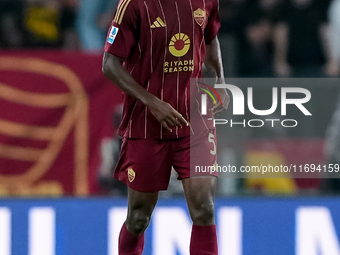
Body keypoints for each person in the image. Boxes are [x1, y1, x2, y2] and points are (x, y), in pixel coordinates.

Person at [102, 0, 229, 254]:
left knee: (204, 207)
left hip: (194, 117)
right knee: (139, 217)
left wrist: (221, 79)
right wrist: (153, 103)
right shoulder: (133, 5)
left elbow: (210, 38)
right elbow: (110, 64)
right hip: (147, 124)